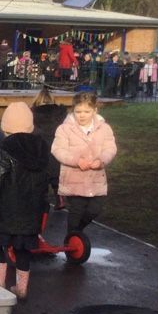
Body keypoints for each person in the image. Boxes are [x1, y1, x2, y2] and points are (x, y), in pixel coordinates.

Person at [0, 103, 50, 299]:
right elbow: (46, 181)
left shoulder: (4, 150)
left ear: (5, 128)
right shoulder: (42, 150)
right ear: (30, 126)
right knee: (23, 249)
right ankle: (22, 287)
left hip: (5, 210)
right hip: (31, 212)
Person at [51, 92, 118, 243]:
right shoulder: (64, 129)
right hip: (74, 178)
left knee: (95, 209)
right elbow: (58, 150)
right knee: (76, 210)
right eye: (78, 112)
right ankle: (71, 239)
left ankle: (77, 234)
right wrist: (75, 160)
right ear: (73, 110)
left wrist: (101, 160)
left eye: (87, 112)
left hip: (96, 178)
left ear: (95, 110)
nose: (82, 115)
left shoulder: (104, 128)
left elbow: (110, 148)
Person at [30, 86, 68, 208]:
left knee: (41, 175)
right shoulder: (60, 113)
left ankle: (42, 200)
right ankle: (60, 198)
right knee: (56, 174)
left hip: (40, 146)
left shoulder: (33, 113)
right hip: (57, 146)